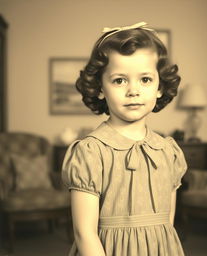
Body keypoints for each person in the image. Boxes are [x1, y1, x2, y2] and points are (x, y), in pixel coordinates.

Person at [62, 22, 187, 256]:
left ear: (160, 86)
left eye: (145, 80)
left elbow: (167, 225)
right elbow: (84, 233)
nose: (133, 91)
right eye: (120, 80)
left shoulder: (168, 151)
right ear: (100, 87)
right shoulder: (90, 151)